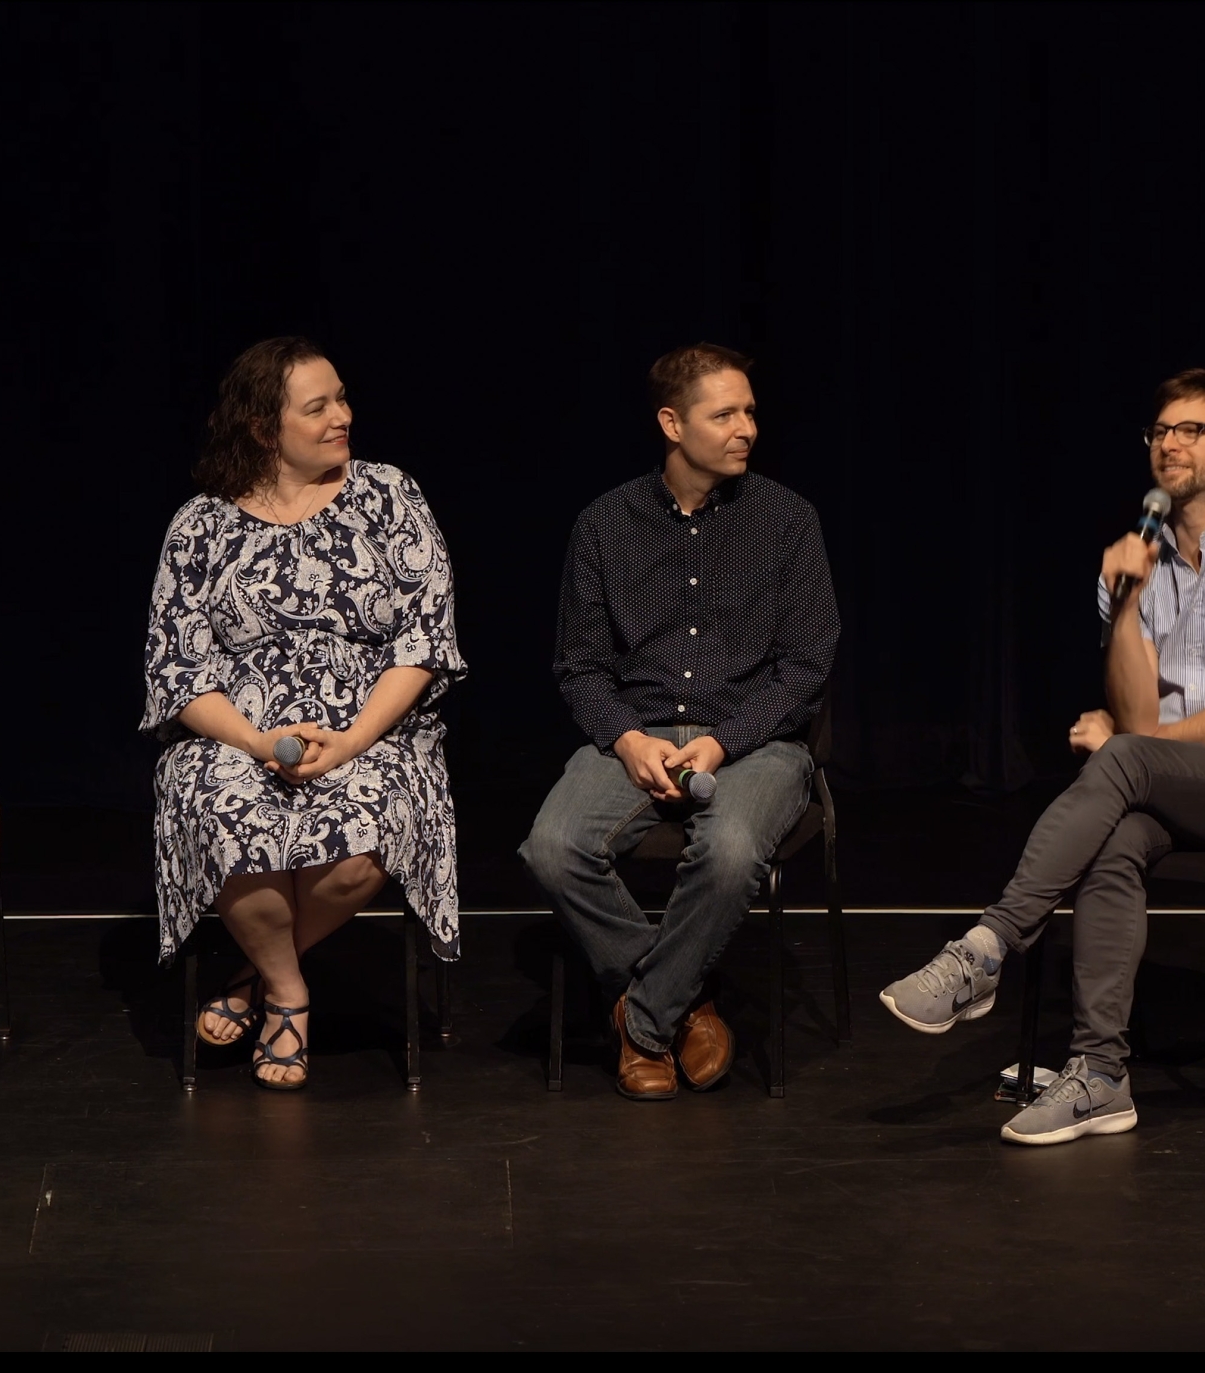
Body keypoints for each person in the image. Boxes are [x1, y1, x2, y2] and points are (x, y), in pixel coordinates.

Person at [879, 370, 1205, 1147]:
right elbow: (1140, 714)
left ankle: (984, 950)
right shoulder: (1136, 557)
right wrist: (1123, 600)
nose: (1170, 444)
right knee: (1115, 843)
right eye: (1160, 431)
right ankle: (1100, 1075)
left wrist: (1129, 744)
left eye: (1193, 430)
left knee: (1121, 761)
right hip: (1173, 782)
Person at [143, 338, 465, 1091]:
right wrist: (256, 741)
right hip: (239, 729)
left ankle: (251, 977)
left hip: (374, 727)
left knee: (366, 834)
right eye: (317, 407)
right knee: (221, 812)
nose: (342, 417)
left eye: (342, 399)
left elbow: (424, 640)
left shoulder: (389, 496)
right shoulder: (201, 525)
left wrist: (351, 740)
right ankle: (288, 994)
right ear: (264, 428)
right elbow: (177, 668)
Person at [520, 344, 840, 1099]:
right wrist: (628, 740)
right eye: (724, 413)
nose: (746, 429)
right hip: (637, 730)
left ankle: (645, 1025)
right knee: (551, 848)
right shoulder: (604, 524)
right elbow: (580, 666)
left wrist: (725, 740)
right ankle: (687, 1000)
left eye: (750, 411)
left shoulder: (789, 521)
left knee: (730, 855)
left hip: (753, 738)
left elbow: (806, 665)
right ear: (672, 422)